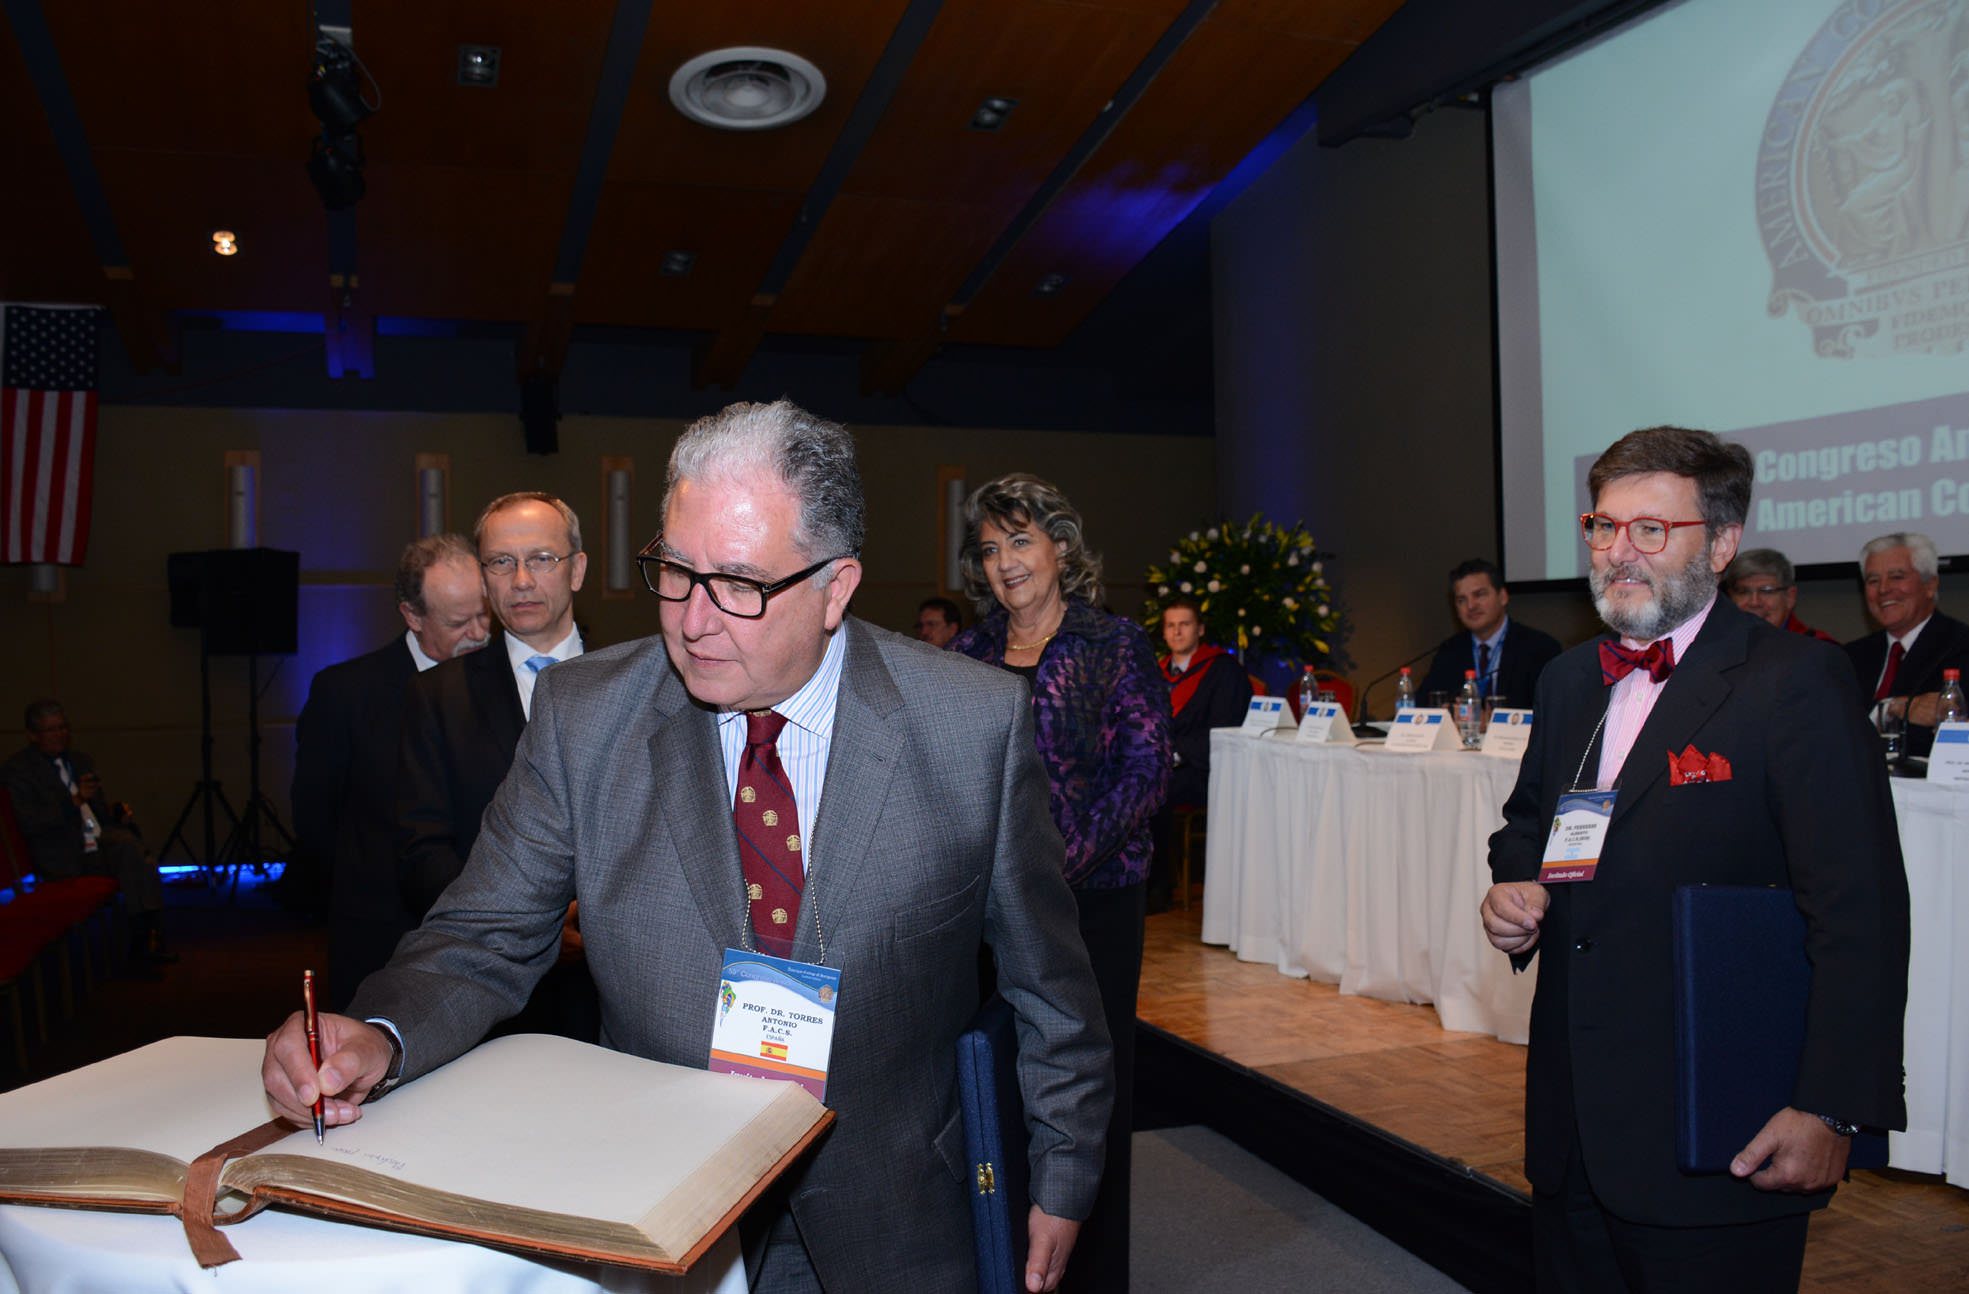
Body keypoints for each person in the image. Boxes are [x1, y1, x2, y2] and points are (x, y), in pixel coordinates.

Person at [262, 400, 1111, 1294]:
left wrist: (1063, 1175)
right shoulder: (585, 718)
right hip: (658, 1206)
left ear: (836, 587)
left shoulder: (969, 725)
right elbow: (482, 932)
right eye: (674, 570)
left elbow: (1048, 985)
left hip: (893, 1203)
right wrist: (380, 1032)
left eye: (740, 583)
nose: (694, 620)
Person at [1480, 426, 1908, 1291]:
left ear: (1719, 543)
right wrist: (1512, 884)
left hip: (1724, 1131)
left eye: (1650, 530)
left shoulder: (1793, 683)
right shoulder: (1569, 683)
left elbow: (1858, 910)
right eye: (1603, 527)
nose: (1617, 552)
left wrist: (1832, 1106)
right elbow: (1528, 824)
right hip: (1572, 1135)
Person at [949, 473, 1171, 1294]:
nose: (1004, 562)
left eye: (1020, 540)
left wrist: (1047, 865)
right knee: (991, 1086)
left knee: (1085, 1098)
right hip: (980, 918)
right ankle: (999, 1259)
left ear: (1061, 548)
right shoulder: (965, 656)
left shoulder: (1114, 645)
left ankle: (1090, 1276)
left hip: (1092, 908)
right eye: (990, 548)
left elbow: (1145, 774)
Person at [291, 534, 490, 1010]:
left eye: (486, 615)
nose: (480, 633)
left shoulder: (504, 682)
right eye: (459, 621)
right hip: (383, 938)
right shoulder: (346, 693)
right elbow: (316, 823)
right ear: (413, 616)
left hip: (487, 943)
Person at [2, 700, 170, 966]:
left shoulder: (79, 760)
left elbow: (98, 812)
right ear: (32, 735)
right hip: (60, 853)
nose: (60, 735)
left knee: (136, 855)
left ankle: (146, 940)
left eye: (62, 727)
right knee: (133, 853)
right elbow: (31, 824)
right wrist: (75, 802)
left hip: (97, 841)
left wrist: (115, 813)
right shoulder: (18, 771)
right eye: (51, 730)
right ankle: (146, 940)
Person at [1146, 595, 1250, 913]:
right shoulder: (1155, 671)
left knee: (1154, 794)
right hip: (1164, 766)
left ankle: (1158, 890)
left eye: (1185, 625)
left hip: (1207, 770)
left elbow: (1226, 729)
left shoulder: (1222, 671)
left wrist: (1175, 752)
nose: (1177, 633)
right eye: (1170, 626)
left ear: (1200, 629)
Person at [1843, 531, 1969, 761]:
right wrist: (1893, 708)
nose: (1883, 589)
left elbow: (1935, 738)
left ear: (1930, 585)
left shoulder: (1961, 647)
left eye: (1897, 576)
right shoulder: (1850, 656)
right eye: (1873, 580)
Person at [1417, 558, 1561, 708]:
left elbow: (1549, 709)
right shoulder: (1449, 651)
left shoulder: (1539, 648)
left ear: (1503, 597)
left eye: (1479, 594)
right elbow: (1423, 704)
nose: (1471, 606)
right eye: (1461, 600)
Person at [1721, 548, 1835, 642]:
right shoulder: (1718, 645)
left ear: (1790, 597)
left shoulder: (1817, 648)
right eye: (1743, 591)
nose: (1754, 602)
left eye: (1766, 591)